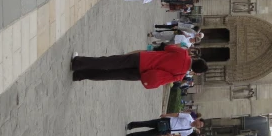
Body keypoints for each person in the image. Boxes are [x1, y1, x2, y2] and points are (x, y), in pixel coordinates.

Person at [70, 46, 208, 88]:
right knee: (111, 75)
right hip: (142, 74)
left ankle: (78, 63)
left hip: (143, 59)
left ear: (197, 59)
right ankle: (79, 75)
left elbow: (166, 47)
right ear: (194, 71)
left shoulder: (183, 53)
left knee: (110, 62)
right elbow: (161, 80)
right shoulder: (180, 75)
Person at [126, 112, 204, 136]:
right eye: (200, 123)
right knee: (147, 123)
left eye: (200, 126)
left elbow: (181, 135)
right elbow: (177, 114)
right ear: (198, 120)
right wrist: (166, 115)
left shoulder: (190, 130)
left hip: (167, 131)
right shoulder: (188, 117)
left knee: (148, 134)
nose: (198, 125)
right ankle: (131, 125)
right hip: (166, 121)